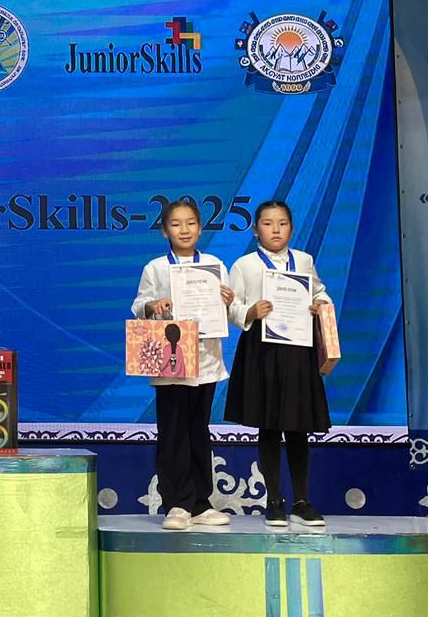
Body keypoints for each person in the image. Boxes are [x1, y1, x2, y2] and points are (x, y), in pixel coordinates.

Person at [225, 200, 331, 528]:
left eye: (282, 223)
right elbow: (230, 306)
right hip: (262, 350)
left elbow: (321, 293)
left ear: (291, 228)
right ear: (255, 230)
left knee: (298, 426)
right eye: (268, 224)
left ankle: (302, 500)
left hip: (298, 349)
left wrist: (318, 305)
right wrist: (249, 312)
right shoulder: (244, 265)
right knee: (268, 425)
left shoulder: (304, 260)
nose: (275, 230)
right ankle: (274, 500)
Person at [133, 200, 234, 530]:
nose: (184, 230)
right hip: (171, 361)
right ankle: (176, 503)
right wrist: (153, 305)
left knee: (198, 429)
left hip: (206, 360)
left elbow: (228, 310)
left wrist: (229, 302)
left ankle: (201, 503)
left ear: (200, 228)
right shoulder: (155, 268)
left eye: (190, 223)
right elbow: (139, 305)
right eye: (176, 224)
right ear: (164, 231)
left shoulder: (215, 265)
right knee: (173, 430)